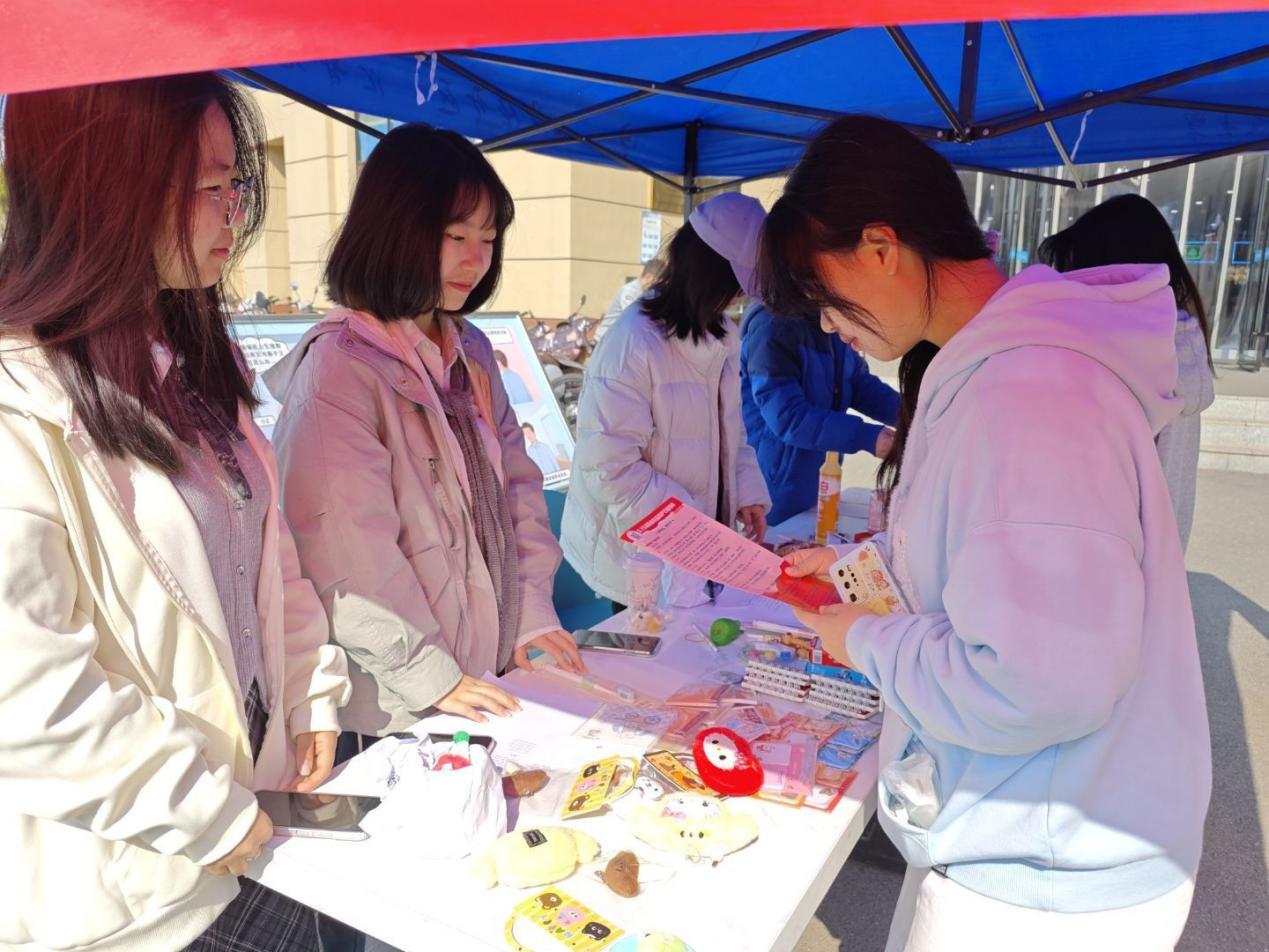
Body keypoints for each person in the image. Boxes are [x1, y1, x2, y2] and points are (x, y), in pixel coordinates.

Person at [763, 116, 1209, 951]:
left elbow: (1037, 683)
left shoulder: (1027, 391)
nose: (825, 325)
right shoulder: (999, 366)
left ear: (879, 248)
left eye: (821, 294)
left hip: (1044, 870)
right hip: (1030, 831)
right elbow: (989, 555)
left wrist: (861, 638)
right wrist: (865, 567)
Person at [0, 75, 351, 951]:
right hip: (143, 890)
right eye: (208, 186)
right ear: (102, 188)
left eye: (237, 183)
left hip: (259, 815)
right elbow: (25, 688)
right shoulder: (19, 399)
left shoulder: (187, 357)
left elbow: (269, 555)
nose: (233, 212)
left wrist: (312, 692)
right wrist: (198, 810)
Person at [266, 124, 585, 751]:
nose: (477, 259)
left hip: (486, 671)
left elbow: (519, 492)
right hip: (400, 703)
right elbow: (345, 552)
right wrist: (428, 674)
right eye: (457, 236)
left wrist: (532, 617)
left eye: (489, 239)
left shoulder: (471, 349)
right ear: (395, 228)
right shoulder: (340, 369)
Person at [562, 192, 772, 608]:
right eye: (733, 287)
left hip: (698, 553)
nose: (737, 298)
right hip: (640, 560)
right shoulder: (634, 343)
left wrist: (745, 493)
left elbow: (732, 433)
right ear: (707, 273)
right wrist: (689, 526)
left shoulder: (723, 336)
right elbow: (609, 467)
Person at [1037, 194, 1215, 552]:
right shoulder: (1177, 341)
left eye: (1080, 270)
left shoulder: (1122, 356)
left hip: (1107, 562)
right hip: (1153, 561)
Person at [740, 300, 900, 524]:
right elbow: (789, 417)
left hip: (820, 480)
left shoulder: (831, 322)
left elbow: (858, 384)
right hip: (772, 489)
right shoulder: (770, 326)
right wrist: (870, 437)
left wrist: (910, 413)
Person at [594, 257, 664, 343]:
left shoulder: (647, 292)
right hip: (606, 339)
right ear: (648, 276)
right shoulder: (630, 291)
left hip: (620, 338)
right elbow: (634, 319)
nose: (660, 286)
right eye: (658, 282)